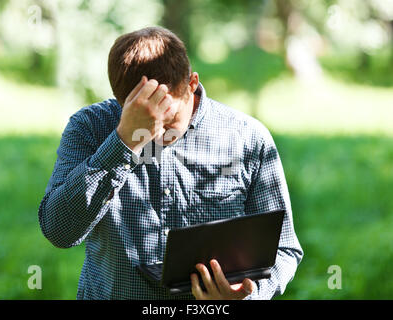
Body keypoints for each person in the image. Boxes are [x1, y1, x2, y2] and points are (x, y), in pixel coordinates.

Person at [38, 26, 303, 300]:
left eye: (168, 120)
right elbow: (59, 231)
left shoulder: (247, 138)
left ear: (192, 83)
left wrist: (249, 294)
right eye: (143, 119)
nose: (156, 135)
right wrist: (123, 142)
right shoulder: (90, 128)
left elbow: (284, 249)